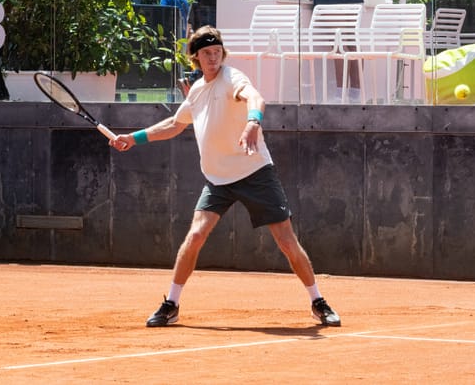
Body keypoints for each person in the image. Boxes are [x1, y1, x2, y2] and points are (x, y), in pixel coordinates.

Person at [109, 26, 341, 328]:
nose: (213, 58)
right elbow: (175, 124)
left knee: (286, 240)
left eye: (217, 52)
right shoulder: (196, 91)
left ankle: (318, 301)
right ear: (195, 57)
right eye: (207, 53)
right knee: (195, 235)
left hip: (254, 172)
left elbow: (255, 97)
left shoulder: (232, 78)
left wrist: (253, 122)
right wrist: (134, 138)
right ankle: (172, 304)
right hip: (217, 180)